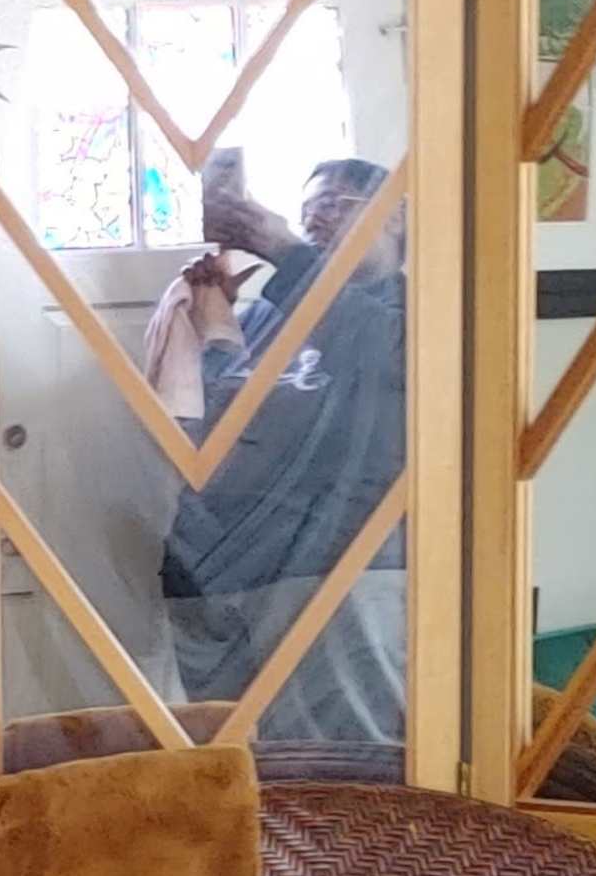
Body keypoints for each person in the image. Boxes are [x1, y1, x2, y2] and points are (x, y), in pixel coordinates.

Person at [141, 146, 407, 756]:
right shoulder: (267, 315)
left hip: (336, 581)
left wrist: (285, 250)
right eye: (307, 211)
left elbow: (381, 356)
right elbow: (218, 429)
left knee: (338, 779)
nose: (316, 221)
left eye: (336, 207)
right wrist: (213, 330)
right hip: (220, 585)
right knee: (242, 775)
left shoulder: (418, 319)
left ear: (396, 217)